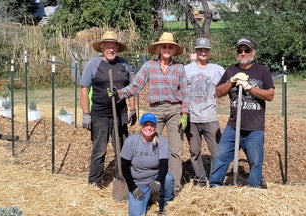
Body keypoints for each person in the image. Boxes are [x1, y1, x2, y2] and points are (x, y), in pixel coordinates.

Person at [112, 32, 189, 196]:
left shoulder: (179, 68)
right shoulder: (149, 66)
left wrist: (185, 113)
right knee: (152, 146)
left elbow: (185, 92)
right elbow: (135, 86)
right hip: (155, 111)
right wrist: (119, 94)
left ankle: (173, 186)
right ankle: (150, 182)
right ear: (159, 49)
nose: (167, 49)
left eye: (170, 47)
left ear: (173, 50)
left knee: (175, 149)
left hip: (175, 110)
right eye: (164, 46)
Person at [208, 37, 275, 188]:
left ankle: (253, 191)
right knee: (221, 157)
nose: (243, 53)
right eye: (240, 51)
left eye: (246, 50)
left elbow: (270, 95)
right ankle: (214, 187)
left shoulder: (262, 71)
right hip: (233, 127)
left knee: (255, 162)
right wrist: (231, 80)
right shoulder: (231, 70)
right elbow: (218, 92)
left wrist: (249, 87)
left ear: (253, 52)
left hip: (254, 128)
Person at [80, 31, 137, 187]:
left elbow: (131, 87)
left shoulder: (123, 63)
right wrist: (86, 114)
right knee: (99, 149)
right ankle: (94, 181)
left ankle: (123, 178)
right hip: (100, 114)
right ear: (102, 48)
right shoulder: (93, 64)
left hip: (120, 113)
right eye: (108, 47)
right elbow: (84, 89)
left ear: (117, 48)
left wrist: (133, 109)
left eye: (114, 47)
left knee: (122, 148)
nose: (111, 50)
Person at [184, 38, 224, 186]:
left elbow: (229, 82)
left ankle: (214, 180)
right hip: (192, 118)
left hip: (210, 117)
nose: (203, 52)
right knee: (195, 151)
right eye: (200, 49)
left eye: (205, 49)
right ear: (196, 51)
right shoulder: (186, 69)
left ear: (209, 51)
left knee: (216, 152)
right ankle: (200, 178)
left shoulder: (217, 69)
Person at [121, 113, 174, 216]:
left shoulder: (161, 141)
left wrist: (158, 180)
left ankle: (164, 202)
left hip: (155, 178)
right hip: (139, 182)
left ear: (155, 127)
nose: (149, 128)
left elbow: (164, 164)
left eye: (152, 125)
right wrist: (133, 187)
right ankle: (148, 198)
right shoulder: (131, 141)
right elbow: (124, 167)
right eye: (146, 125)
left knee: (168, 179)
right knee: (136, 214)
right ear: (141, 126)